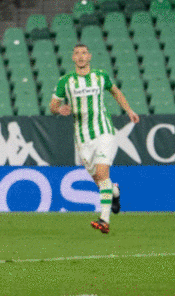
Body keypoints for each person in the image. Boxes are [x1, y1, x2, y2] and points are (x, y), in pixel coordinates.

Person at [50, 44, 139, 234]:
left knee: (102, 173)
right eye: (77, 53)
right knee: (100, 180)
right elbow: (52, 106)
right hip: (82, 139)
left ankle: (104, 220)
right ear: (73, 58)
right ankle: (115, 192)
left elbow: (115, 91)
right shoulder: (65, 81)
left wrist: (129, 110)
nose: (81, 56)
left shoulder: (100, 76)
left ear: (89, 56)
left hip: (104, 131)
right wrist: (59, 109)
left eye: (84, 53)